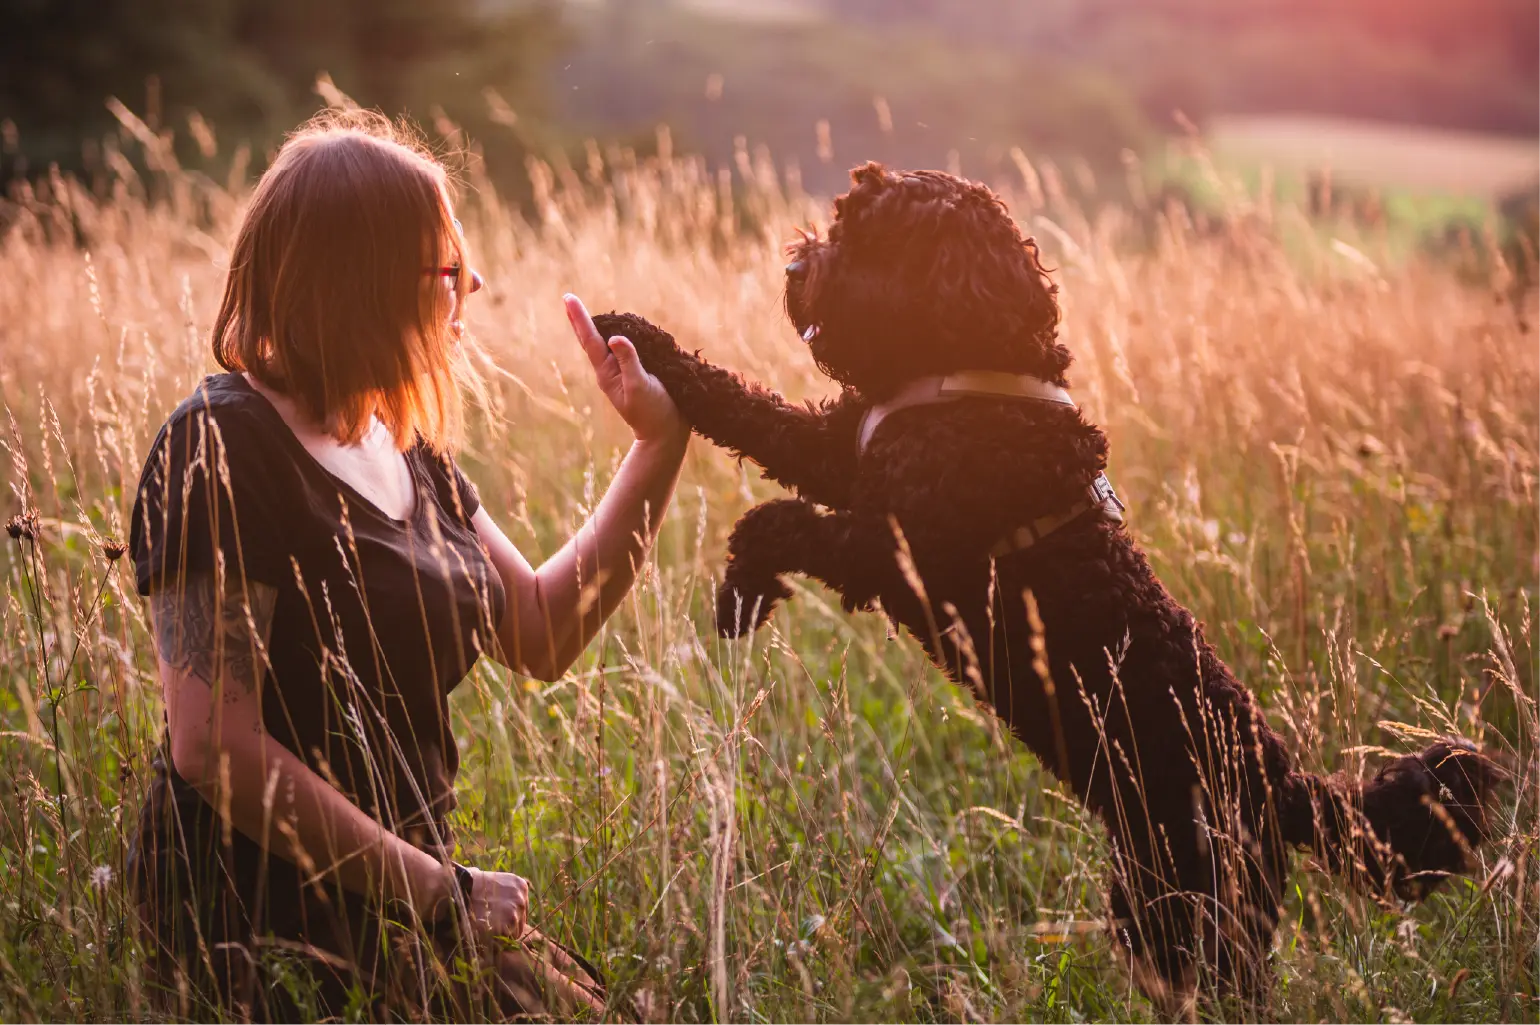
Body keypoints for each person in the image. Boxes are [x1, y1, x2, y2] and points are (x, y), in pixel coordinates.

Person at [126, 111, 686, 1021]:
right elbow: (211, 746)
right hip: (263, 919)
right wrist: (442, 891)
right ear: (365, 281)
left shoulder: (406, 447)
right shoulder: (221, 443)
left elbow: (542, 629)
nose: (471, 287)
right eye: (446, 269)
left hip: (416, 897)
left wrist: (656, 449)